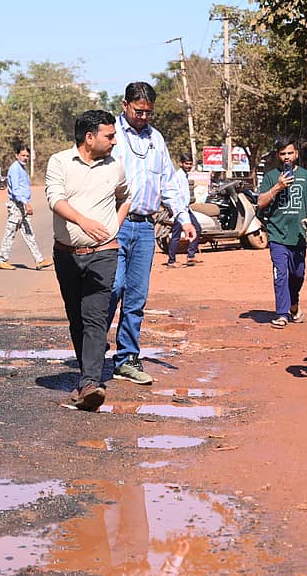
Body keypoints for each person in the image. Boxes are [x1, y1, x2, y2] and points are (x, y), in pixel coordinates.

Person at [107, 82, 195, 385]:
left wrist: (183, 218)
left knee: (136, 297)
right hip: (114, 225)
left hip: (145, 227)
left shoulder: (156, 139)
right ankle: (92, 354)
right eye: (138, 111)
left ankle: (127, 359)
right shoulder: (111, 137)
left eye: (148, 112)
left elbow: (168, 184)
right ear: (124, 104)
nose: (144, 117)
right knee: (112, 289)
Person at [46, 110, 129, 411]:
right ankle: (86, 377)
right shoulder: (59, 162)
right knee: (77, 318)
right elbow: (55, 199)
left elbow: (126, 196)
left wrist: (115, 225)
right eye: (110, 136)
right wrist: (83, 222)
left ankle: (91, 382)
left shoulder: (115, 167)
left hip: (104, 253)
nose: (115, 141)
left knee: (95, 316)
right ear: (89, 137)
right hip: (66, 254)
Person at [257, 136, 307, 329]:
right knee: (280, 274)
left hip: (298, 236)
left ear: (296, 154)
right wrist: (278, 187)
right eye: (283, 153)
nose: (286, 157)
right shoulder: (270, 177)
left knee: (297, 275)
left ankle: (293, 304)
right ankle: (282, 313)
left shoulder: (306, 177)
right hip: (277, 236)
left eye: (290, 153)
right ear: (278, 155)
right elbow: (260, 203)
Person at [0, 144, 53, 271]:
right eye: (23, 155)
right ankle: (1, 260)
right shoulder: (15, 169)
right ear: (17, 155)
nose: (25, 158)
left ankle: (39, 260)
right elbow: (15, 190)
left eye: (27, 156)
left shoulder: (22, 169)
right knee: (10, 232)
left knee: (28, 233)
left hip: (22, 205)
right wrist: (25, 203)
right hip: (17, 205)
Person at [165, 152, 203, 267]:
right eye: (186, 163)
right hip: (180, 210)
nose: (188, 166)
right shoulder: (178, 176)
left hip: (186, 209)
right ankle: (171, 261)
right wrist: (179, 211)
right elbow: (176, 195)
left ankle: (191, 256)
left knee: (197, 229)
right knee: (176, 235)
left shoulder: (185, 175)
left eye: (190, 164)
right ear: (181, 163)